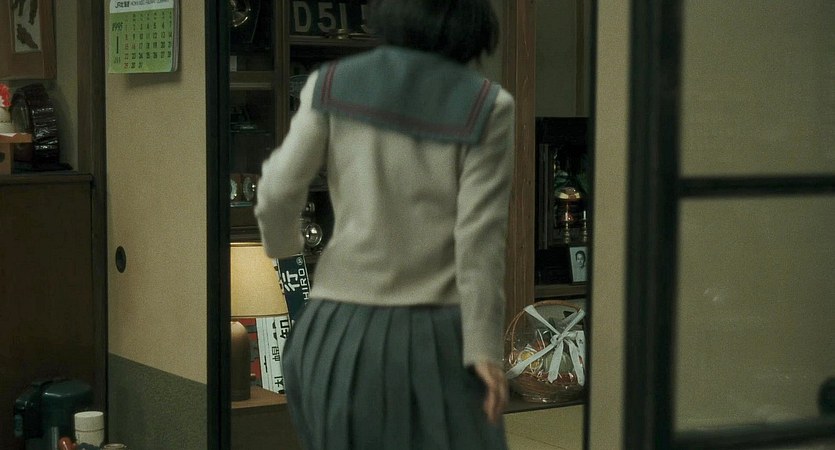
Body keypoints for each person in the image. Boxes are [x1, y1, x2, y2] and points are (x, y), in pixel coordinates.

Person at [255, 0, 514, 448]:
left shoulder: (329, 84)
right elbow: (479, 241)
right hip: (436, 336)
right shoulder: (488, 106)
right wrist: (484, 350)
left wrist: (285, 248)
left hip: (332, 331)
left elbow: (277, 189)